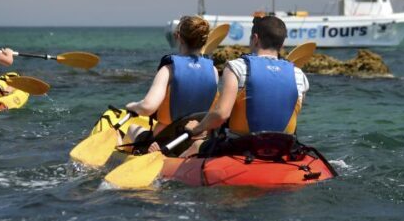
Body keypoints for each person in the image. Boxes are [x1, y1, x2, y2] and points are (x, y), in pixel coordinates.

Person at [183, 15, 309, 156]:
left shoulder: (237, 67)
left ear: (255, 38)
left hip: (241, 147)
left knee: (197, 145)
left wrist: (197, 128)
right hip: (283, 149)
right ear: (282, 44)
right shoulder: (299, 75)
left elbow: (221, 114)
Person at [124, 15, 219, 152]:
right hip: (197, 137)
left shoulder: (168, 69)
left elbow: (148, 107)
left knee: (133, 128)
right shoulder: (214, 71)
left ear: (178, 36)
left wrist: (132, 106)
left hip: (166, 141)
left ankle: (126, 152)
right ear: (204, 39)